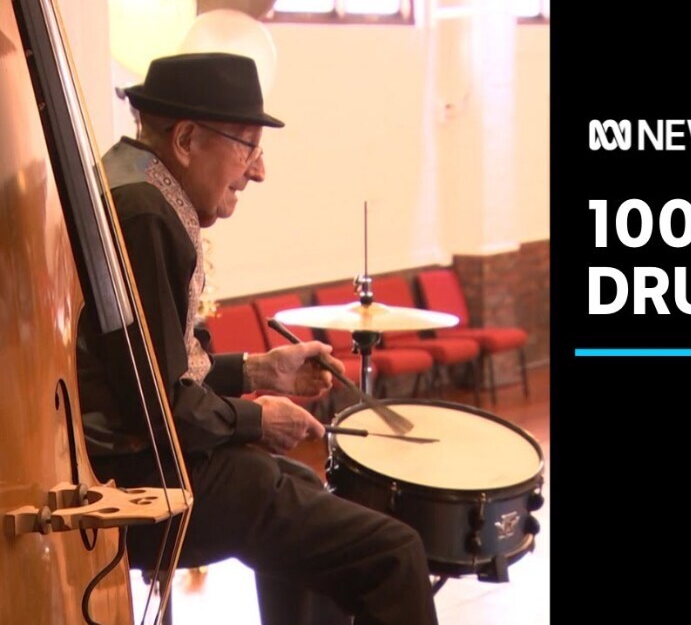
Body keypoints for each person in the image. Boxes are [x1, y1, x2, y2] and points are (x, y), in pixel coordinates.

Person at [76, 52, 439, 625]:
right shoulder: (146, 213)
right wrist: (256, 420)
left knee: (303, 491)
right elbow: (157, 403)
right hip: (138, 478)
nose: (259, 170)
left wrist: (260, 370)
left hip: (138, 456)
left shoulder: (133, 179)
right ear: (187, 139)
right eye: (247, 146)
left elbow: (151, 368)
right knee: (394, 553)